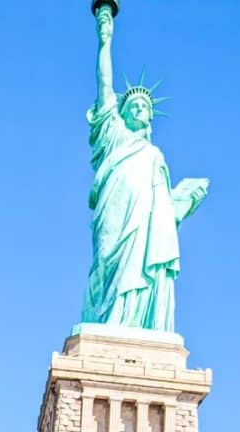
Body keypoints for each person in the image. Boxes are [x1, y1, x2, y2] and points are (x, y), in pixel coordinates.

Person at [82, 3, 209, 333]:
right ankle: (108, 321)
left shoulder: (155, 156)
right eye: (133, 104)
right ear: (120, 112)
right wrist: (105, 39)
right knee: (106, 263)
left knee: (142, 265)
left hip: (145, 224)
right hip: (114, 209)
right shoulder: (112, 134)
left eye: (145, 106)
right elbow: (105, 84)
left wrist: (183, 200)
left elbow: (165, 214)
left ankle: (139, 326)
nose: (139, 108)